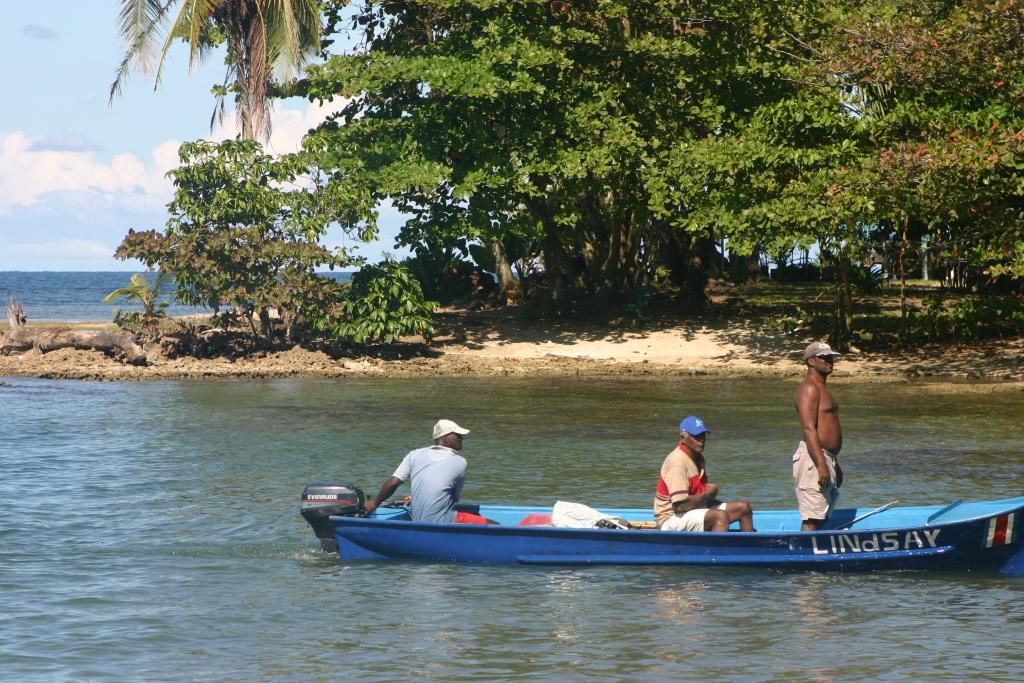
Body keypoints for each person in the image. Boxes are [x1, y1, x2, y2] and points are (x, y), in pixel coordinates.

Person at [364, 419, 488, 524]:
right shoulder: (460, 462)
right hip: (444, 520)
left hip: (418, 520)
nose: (461, 439)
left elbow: (393, 483)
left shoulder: (414, 454)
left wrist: (374, 503)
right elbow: (454, 499)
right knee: (492, 524)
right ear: (444, 438)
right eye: (458, 436)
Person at [654, 415, 754, 532]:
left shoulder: (699, 459)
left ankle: (749, 543)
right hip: (670, 518)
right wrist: (708, 494)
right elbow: (679, 506)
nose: (701, 440)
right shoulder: (677, 462)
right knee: (720, 516)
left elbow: (699, 497)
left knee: (744, 508)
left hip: (692, 510)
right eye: (696, 436)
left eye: (703, 435)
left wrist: (710, 498)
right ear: (683, 438)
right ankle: (716, 544)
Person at [793, 341, 844, 531]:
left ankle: (807, 547)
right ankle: (801, 550)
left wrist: (833, 462)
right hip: (813, 459)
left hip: (825, 457)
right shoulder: (809, 388)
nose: (830, 361)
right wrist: (821, 464)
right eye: (825, 357)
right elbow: (809, 429)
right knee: (812, 519)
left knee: (823, 515)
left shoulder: (822, 388)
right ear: (811, 361)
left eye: (831, 357)